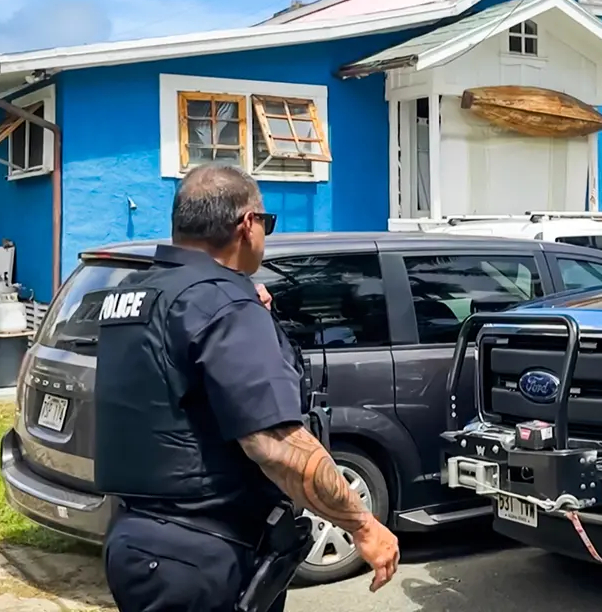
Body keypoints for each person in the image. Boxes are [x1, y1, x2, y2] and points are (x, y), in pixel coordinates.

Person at [92, 163, 400, 612]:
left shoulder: (136, 292)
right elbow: (274, 443)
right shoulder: (224, 302)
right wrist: (363, 525)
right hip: (204, 552)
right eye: (266, 223)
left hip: (137, 542)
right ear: (246, 225)